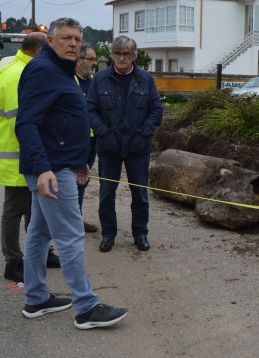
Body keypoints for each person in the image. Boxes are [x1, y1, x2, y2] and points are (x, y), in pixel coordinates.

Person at [16, 17, 127, 329]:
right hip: (50, 168)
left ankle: (36, 297)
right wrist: (42, 169)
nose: (74, 44)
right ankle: (87, 308)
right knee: (70, 235)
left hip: (60, 164)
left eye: (77, 39)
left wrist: (80, 161)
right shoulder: (44, 70)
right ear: (50, 41)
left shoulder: (62, 71)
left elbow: (63, 122)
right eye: (66, 38)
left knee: (39, 232)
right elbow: (26, 123)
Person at [0, 32, 60, 282]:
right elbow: (21, 123)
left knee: (35, 210)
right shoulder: (17, 74)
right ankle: (13, 261)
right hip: (17, 158)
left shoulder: (26, 70)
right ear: (40, 50)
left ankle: (39, 253)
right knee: (15, 210)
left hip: (29, 156)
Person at [87, 36, 163, 253]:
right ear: (112, 55)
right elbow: (91, 109)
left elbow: (156, 110)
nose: (122, 57)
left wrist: (143, 134)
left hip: (138, 148)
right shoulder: (100, 78)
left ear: (134, 55)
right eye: (118, 53)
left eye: (126, 53)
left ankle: (140, 233)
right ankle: (108, 234)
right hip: (109, 147)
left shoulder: (146, 79)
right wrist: (104, 133)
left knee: (139, 194)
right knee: (106, 193)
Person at [75, 45, 99, 233]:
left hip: (93, 140)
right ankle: (69, 221)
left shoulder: (95, 82)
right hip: (75, 141)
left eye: (95, 59)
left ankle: (77, 218)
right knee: (71, 181)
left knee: (83, 181)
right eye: (91, 59)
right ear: (78, 60)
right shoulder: (68, 81)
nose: (95, 63)